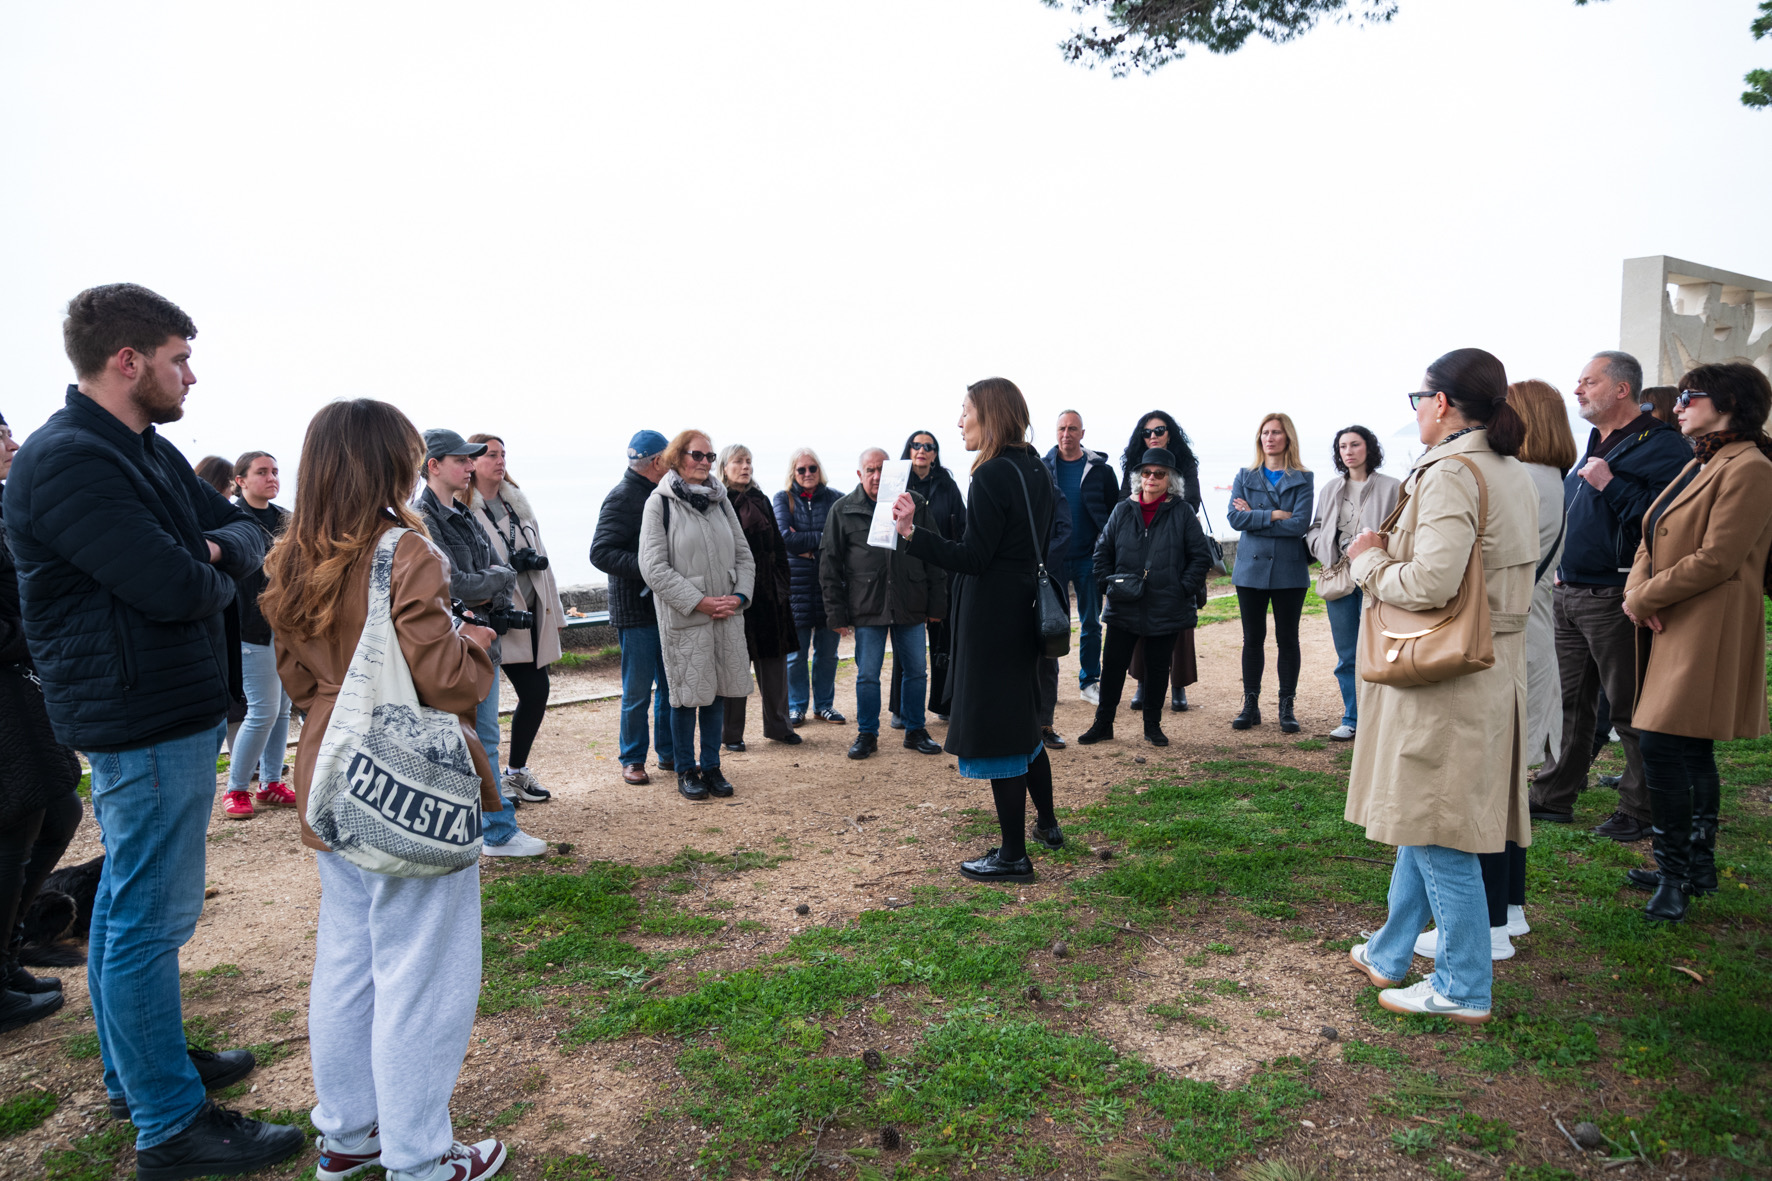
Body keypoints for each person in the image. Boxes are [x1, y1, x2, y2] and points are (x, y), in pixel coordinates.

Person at [3, 285, 300, 1173]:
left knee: (127, 906)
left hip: (167, 704)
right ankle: (170, 1124)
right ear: (127, 360)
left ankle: (138, 1072)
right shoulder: (68, 462)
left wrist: (214, 549)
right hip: (140, 715)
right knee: (147, 916)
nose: (191, 376)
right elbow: (179, 586)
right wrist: (212, 558)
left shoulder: (141, 448)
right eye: (179, 358)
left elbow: (240, 532)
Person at [262, 398, 508, 1181]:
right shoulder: (405, 551)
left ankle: (349, 1132)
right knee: (422, 966)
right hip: (405, 772)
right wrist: (475, 644)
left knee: (347, 956)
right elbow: (444, 678)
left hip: (328, 764)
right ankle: (420, 1154)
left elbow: (295, 677)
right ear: (388, 463)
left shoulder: (288, 556)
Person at [1344, 348, 1538, 1023]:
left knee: (1437, 828)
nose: (1417, 410)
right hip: (1486, 663)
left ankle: (1462, 985)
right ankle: (1390, 951)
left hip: (1447, 671)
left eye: (1418, 397)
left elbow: (1432, 581)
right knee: (1424, 815)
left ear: (1443, 402)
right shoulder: (1509, 468)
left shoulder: (1452, 471)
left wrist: (1368, 561)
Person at [891, 378, 1061, 884]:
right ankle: (1047, 825)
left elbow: (973, 557)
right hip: (1024, 609)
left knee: (999, 732)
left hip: (993, 618)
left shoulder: (989, 474)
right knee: (1023, 723)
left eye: (965, 411)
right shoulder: (1036, 467)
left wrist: (912, 534)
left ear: (989, 415)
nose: (959, 421)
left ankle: (1013, 856)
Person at [1622, 364, 1772, 922]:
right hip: (1675, 616)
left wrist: (1645, 597)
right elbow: (1652, 533)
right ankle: (1695, 867)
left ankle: (1676, 874)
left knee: (1664, 744)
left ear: (1729, 401)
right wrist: (1638, 592)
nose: (1679, 405)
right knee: (1688, 747)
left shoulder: (1750, 466)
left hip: (1708, 623)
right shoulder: (1702, 459)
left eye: (1691, 396)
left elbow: (1718, 557)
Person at [1529, 351, 1691, 840]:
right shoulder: (1597, 441)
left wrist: (1610, 484)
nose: (1578, 390)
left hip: (1617, 594)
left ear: (1622, 389)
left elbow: (1669, 524)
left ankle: (1640, 808)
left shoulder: (1662, 445)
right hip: (1571, 590)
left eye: (1589, 382)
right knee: (1569, 704)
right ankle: (1553, 795)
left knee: (1629, 707)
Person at [415, 429, 545, 858]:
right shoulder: (422, 519)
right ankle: (494, 832)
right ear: (433, 466)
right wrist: (495, 581)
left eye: (471, 459)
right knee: (459, 741)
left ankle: (490, 830)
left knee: (484, 738)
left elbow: (496, 571)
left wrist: (492, 583)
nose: (470, 466)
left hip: (481, 644)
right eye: (461, 460)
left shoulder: (464, 513)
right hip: (452, 649)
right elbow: (453, 583)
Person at [0, 408, 83, 1033]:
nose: (12, 442)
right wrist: (34, 633)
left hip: (20, 687)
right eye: (0, 434)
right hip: (8, 689)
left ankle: (9, 952)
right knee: (17, 822)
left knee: (57, 812)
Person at [638, 431, 755, 802]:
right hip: (685, 618)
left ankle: (713, 766)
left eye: (710, 456)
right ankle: (686, 769)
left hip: (725, 615)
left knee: (718, 693)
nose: (705, 462)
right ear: (677, 457)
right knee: (686, 696)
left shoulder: (721, 501)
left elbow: (744, 556)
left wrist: (739, 596)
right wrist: (698, 601)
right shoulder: (659, 503)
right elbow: (653, 567)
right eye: (697, 455)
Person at [1077, 447, 1213, 748]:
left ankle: (1153, 726)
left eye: (1159, 473)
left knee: (1157, 668)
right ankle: (1103, 724)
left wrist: (1182, 588)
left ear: (1170, 479)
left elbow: (1200, 557)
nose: (1151, 478)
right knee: (1112, 667)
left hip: (1166, 605)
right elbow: (1102, 551)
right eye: (1146, 472)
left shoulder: (1182, 513)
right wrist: (1107, 584)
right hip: (1124, 603)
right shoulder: (1123, 510)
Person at [820, 448, 947, 760]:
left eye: (882, 469)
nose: (877, 476)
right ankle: (867, 734)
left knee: (917, 671)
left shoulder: (914, 503)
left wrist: (936, 606)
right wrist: (836, 614)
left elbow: (934, 553)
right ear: (860, 474)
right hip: (867, 605)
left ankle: (915, 730)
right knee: (867, 675)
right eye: (870, 470)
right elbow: (829, 565)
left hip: (911, 601)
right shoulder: (842, 510)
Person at [468, 433, 566, 805]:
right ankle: (488, 784)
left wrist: (555, 613)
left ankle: (516, 771)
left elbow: (543, 560)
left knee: (537, 692)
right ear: (472, 462)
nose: (500, 461)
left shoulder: (516, 503)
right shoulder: (465, 508)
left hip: (528, 613)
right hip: (491, 617)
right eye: (491, 455)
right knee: (483, 708)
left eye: (503, 454)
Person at [591, 431, 676, 786]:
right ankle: (633, 759)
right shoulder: (623, 497)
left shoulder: (663, 493)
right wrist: (650, 567)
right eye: (670, 458)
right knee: (638, 692)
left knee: (672, 688)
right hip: (636, 612)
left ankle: (670, 753)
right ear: (657, 461)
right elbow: (600, 553)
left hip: (666, 608)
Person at [1305, 426, 1401, 741]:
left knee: (1379, 649)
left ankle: (1382, 719)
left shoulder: (1392, 486)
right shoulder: (1331, 488)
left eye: (1355, 445)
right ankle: (1352, 718)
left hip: (1375, 576)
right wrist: (1322, 548)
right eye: (1343, 446)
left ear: (1368, 448)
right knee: (1347, 653)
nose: (1348, 451)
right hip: (1339, 578)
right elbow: (1316, 526)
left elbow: (1401, 530)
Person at [1226, 413, 1315, 733]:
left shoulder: (1303, 478)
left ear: (1287, 437)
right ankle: (1250, 706)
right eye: (1265, 432)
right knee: (1252, 639)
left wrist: (1256, 516)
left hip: (1289, 570)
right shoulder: (1244, 475)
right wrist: (1276, 514)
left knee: (1287, 639)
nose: (1270, 438)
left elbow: (1299, 525)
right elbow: (1235, 519)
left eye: (1276, 432)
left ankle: (1286, 707)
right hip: (1250, 569)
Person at [219, 451, 294, 819]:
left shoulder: (287, 520)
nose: (271, 477)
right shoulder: (230, 519)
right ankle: (236, 788)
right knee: (262, 710)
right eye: (261, 472)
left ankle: (270, 784)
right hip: (250, 628)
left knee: (282, 711)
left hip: (287, 628)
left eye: (275, 471)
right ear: (241, 480)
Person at [715, 444, 801, 750]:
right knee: (735, 667)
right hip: (735, 593)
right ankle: (731, 734)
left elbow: (777, 544)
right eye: (738, 461)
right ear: (724, 467)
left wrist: (782, 582)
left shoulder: (761, 499)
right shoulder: (717, 502)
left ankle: (779, 727)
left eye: (748, 461)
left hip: (769, 595)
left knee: (775, 666)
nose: (745, 466)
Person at [1118, 411, 1202, 712]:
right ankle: (1143, 682)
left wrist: (1164, 507)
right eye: (1147, 432)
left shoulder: (1184, 463)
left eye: (1159, 430)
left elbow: (1192, 502)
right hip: (1140, 548)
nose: (1152, 436)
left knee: (1178, 621)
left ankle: (1178, 685)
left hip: (1175, 546)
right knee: (1139, 617)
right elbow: (1123, 503)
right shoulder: (1135, 463)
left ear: (1170, 433)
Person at [1044, 410, 1123, 707]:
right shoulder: (1042, 468)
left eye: (1072, 429)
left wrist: (1107, 547)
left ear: (1082, 433)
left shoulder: (1100, 470)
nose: (1066, 434)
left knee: (1091, 622)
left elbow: (1115, 513)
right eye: (1062, 429)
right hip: (1053, 559)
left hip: (1090, 558)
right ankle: (1046, 684)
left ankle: (1089, 681)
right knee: (1050, 623)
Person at [889, 430, 966, 727]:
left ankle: (944, 703)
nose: (922, 450)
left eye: (929, 446)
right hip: (906, 568)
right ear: (908, 450)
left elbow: (962, 526)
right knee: (905, 644)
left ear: (935, 453)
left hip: (941, 569)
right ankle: (901, 708)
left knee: (943, 640)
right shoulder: (896, 483)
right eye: (916, 445)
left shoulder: (947, 485)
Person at [773, 449, 845, 725]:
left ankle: (824, 705)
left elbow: (840, 538)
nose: (807, 474)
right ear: (793, 472)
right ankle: (796, 706)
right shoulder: (783, 499)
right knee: (795, 656)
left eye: (812, 468)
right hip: (797, 589)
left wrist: (806, 543)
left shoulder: (836, 498)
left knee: (828, 655)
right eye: (801, 469)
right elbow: (784, 538)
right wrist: (822, 541)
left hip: (830, 587)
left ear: (819, 469)